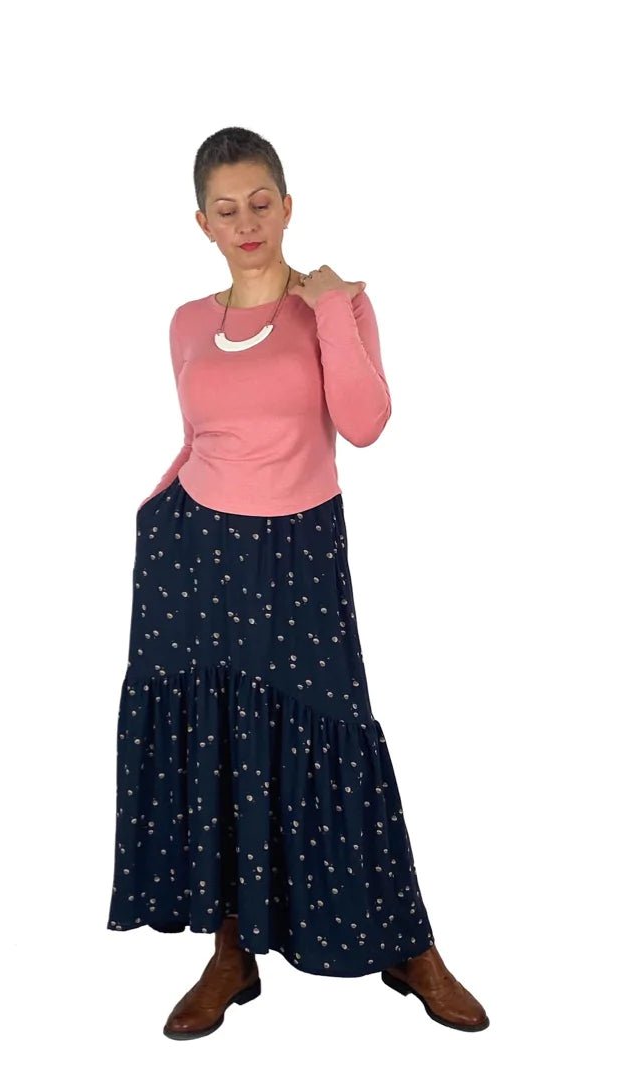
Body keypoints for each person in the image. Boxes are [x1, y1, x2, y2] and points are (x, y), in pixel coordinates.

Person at [107, 126, 489, 1040]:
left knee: (338, 734)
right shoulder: (186, 323)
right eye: (226, 210)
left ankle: (408, 946)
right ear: (202, 223)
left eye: (260, 204)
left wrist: (332, 307)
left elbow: (365, 422)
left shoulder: (336, 306)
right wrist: (158, 510)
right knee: (220, 742)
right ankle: (231, 951)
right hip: (196, 553)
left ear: (287, 205)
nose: (246, 223)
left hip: (299, 548)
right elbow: (203, 436)